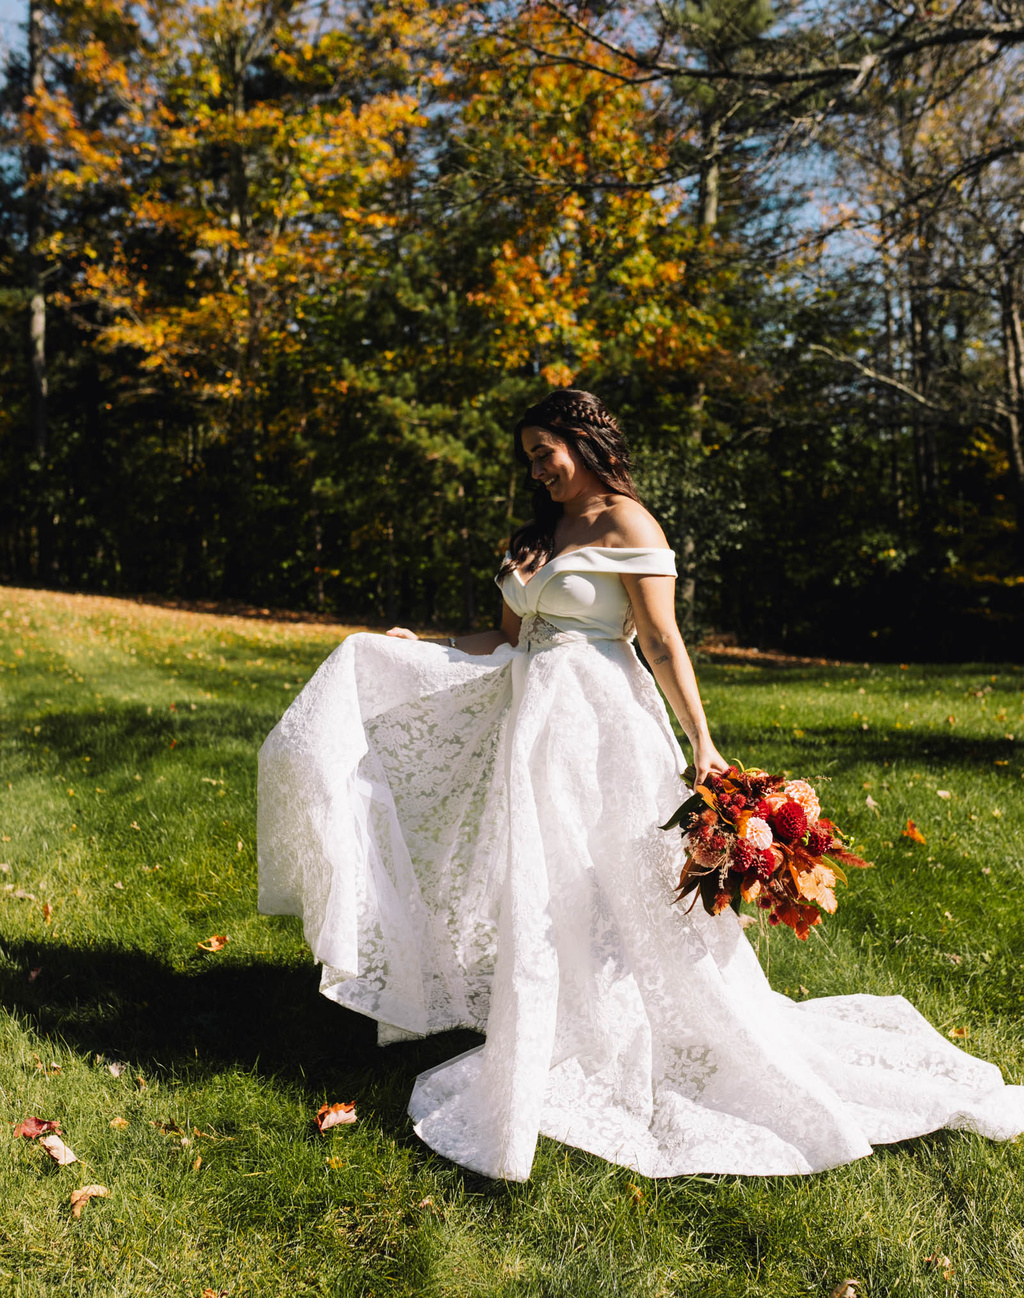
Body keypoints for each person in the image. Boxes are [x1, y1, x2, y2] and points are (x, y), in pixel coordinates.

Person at [258, 388, 1024, 1181]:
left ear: (582, 441)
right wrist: (422, 642)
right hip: (536, 726)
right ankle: (557, 1012)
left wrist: (703, 740)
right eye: (527, 457)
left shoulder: (630, 523)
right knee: (546, 875)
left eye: (542, 451)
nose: (536, 469)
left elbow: (661, 641)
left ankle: (641, 1025)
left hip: (605, 725)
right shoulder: (541, 534)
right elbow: (510, 638)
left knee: (621, 871)